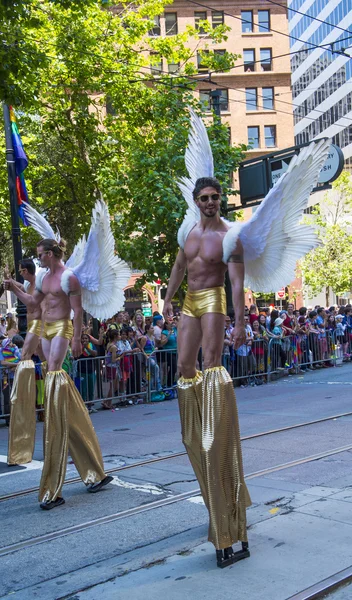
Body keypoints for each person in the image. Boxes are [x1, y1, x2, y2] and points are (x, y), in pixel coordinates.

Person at [163, 176, 251, 568]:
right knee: (184, 368)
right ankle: (197, 428)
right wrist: (166, 299)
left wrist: (240, 322)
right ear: (196, 200)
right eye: (205, 198)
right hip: (188, 302)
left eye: (216, 197)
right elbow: (180, 265)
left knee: (211, 366)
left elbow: (236, 286)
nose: (211, 202)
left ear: (221, 200)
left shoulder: (231, 238)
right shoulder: (189, 232)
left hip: (214, 299)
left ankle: (213, 430)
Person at [5, 238, 112, 510]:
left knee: (54, 373)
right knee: (50, 378)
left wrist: (77, 339)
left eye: (40, 255)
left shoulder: (69, 278)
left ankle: (63, 479)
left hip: (63, 328)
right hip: (46, 328)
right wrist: (14, 288)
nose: (37, 259)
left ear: (51, 254)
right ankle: (91, 471)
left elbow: (77, 312)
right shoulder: (43, 278)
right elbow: (32, 303)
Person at [5, 258, 45, 467]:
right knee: (34, 362)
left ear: (27, 270)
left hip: (40, 327)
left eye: (21, 271)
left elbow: (30, 301)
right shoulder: (30, 283)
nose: (20, 274)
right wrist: (11, 283)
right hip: (34, 328)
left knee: (27, 359)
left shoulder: (39, 283)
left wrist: (12, 287)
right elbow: (22, 287)